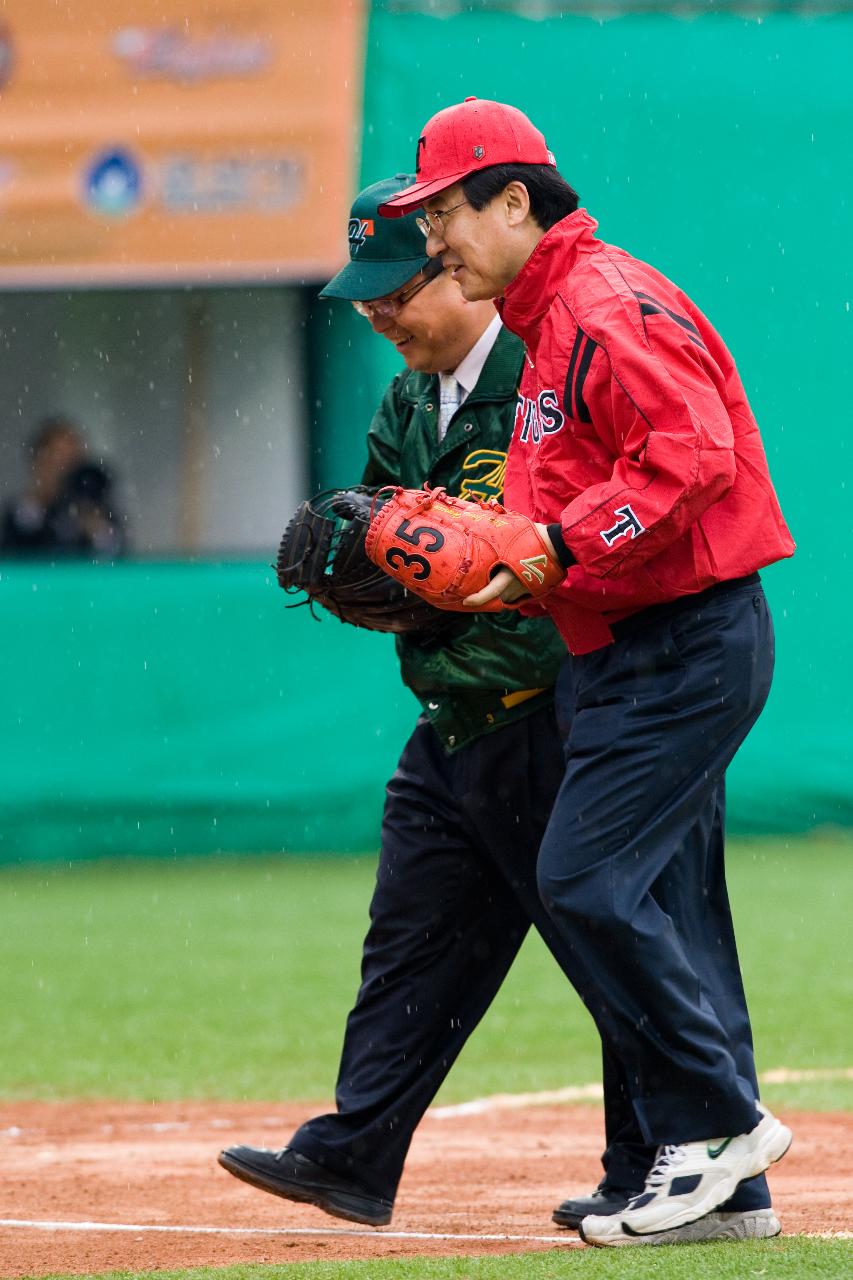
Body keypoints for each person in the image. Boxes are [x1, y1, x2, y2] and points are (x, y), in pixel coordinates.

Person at [378, 100, 795, 1247]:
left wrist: (557, 547)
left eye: (447, 214)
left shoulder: (598, 304)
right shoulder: (549, 315)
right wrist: (486, 546)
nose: (435, 242)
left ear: (516, 200)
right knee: (656, 899)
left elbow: (692, 455)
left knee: (583, 878)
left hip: (684, 636)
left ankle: (715, 1126)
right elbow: (558, 501)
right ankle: (727, 1191)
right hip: (625, 646)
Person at [219, 174, 636, 1231]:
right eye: (361, 294)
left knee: (616, 948)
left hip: (556, 715)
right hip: (453, 723)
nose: (373, 311)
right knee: (410, 939)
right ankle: (352, 1154)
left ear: (458, 270)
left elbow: (566, 562)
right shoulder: (408, 401)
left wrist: (438, 597)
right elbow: (383, 561)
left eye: (393, 289)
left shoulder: (544, 380)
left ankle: (666, 1163)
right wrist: (354, 574)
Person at [1, 415, 127, 557]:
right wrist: (38, 500)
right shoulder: (22, 511)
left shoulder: (96, 509)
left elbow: (118, 555)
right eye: (57, 460)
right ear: (39, 463)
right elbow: (12, 555)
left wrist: (93, 522)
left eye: (73, 461)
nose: (66, 470)